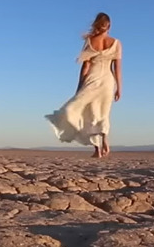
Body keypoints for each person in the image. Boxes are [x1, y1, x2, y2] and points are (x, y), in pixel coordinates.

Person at [45, 12, 122, 158]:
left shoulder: (90, 41)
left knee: (86, 111)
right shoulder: (116, 43)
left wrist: (79, 87)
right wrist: (119, 88)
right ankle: (103, 142)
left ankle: (97, 147)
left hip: (93, 79)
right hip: (107, 81)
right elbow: (117, 68)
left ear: (97, 25)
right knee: (102, 113)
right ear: (109, 26)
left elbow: (85, 67)